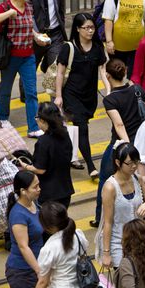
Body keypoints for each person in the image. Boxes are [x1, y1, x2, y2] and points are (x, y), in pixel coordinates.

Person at [91, 58, 145, 227]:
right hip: (142, 140)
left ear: (108, 75)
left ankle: (100, 218)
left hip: (122, 144)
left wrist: (127, 147)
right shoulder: (137, 89)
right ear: (125, 71)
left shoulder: (110, 100)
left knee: (105, 178)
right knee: (141, 179)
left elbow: (119, 125)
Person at [54, 13, 109, 179]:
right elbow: (60, 73)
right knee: (82, 128)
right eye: (86, 28)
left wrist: (108, 90)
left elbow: (103, 71)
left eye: (92, 27)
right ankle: (91, 166)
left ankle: (66, 155)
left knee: (74, 129)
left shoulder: (98, 49)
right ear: (78, 29)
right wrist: (58, 96)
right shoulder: (68, 48)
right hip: (71, 94)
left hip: (89, 96)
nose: (90, 31)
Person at [4, 171, 50, 288]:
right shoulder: (18, 214)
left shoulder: (33, 205)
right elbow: (23, 247)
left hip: (39, 266)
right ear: (23, 191)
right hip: (22, 269)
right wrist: (39, 271)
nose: (39, 189)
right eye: (35, 187)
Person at [0, 0, 46, 138]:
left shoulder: (29, 6)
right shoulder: (6, 6)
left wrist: (36, 36)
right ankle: (2, 116)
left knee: (31, 92)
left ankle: (33, 127)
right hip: (10, 57)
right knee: (6, 88)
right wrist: (9, 13)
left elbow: (28, 26)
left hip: (28, 56)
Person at [97, 143, 145, 269]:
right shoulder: (110, 187)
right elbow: (108, 222)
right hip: (119, 245)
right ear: (118, 162)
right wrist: (106, 253)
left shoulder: (137, 179)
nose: (134, 166)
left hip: (140, 242)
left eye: (136, 162)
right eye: (130, 163)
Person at [25, 102, 74, 207]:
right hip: (65, 190)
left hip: (49, 195)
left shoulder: (43, 141)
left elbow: (40, 169)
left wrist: (26, 166)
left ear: (43, 120)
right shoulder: (65, 133)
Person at [18, 0, 68, 101]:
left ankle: (55, 103)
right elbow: (26, 14)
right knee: (29, 69)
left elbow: (61, 10)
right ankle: (25, 94)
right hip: (34, 36)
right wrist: (35, 35)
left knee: (56, 68)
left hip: (55, 35)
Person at [102, 0, 145, 79]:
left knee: (134, 75)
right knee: (116, 75)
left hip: (137, 47)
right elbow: (108, 19)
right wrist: (109, 41)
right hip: (117, 48)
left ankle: (132, 91)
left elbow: (144, 19)